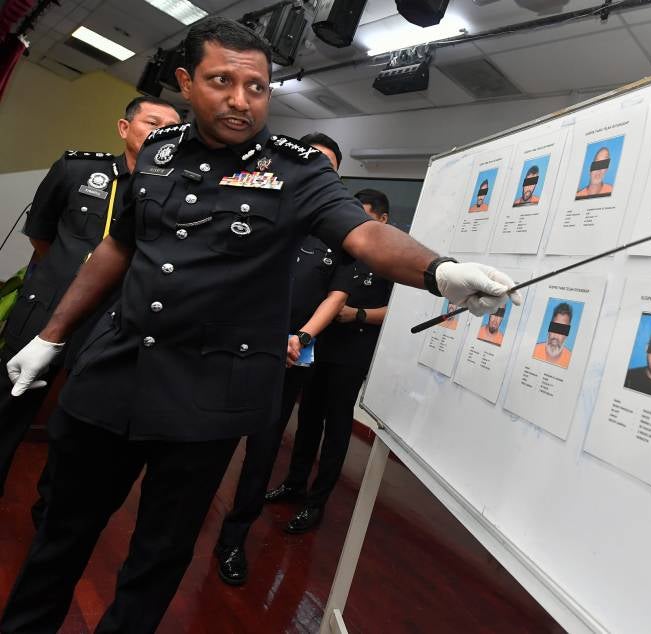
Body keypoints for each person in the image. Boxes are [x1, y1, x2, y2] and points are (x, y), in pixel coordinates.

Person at [0, 17, 518, 634]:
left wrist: (440, 271)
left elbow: (366, 234)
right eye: (222, 81)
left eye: (258, 86)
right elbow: (119, 247)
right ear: (187, 83)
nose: (242, 100)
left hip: (207, 398)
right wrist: (49, 336)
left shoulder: (295, 170)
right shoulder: (159, 154)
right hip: (115, 376)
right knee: (60, 537)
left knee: (157, 560)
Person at [0, 96, 180, 514]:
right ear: (124, 128)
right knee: (10, 403)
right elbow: (41, 235)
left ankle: (49, 510)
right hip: (46, 308)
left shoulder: (171, 196)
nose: (160, 134)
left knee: (76, 425)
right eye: (152, 122)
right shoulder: (78, 168)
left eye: (171, 129)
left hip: (108, 324)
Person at [213, 131, 349, 586]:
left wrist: (302, 336)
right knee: (208, 446)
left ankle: (233, 539)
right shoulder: (259, 211)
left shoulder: (339, 232)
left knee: (262, 453)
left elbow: (337, 295)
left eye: (327, 167)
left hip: (290, 358)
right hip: (232, 350)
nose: (317, 172)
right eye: (311, 161)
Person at [264, 188, 395, 537]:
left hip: (352, 354)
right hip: (317, 348)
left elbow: (397, 312)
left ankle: (316, 501)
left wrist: (358, 314)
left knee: (337, 427)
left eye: (365, 216)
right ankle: (294, 484)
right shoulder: (339, 248)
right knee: (307, 419)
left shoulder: (388, 259)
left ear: (382, 220)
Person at [532, 302, 573, 368]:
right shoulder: (533, 351)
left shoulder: (570, 361)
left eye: (562, 330)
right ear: (549, 329)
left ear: (566, 334)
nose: (556, 336)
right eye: (555, 328)